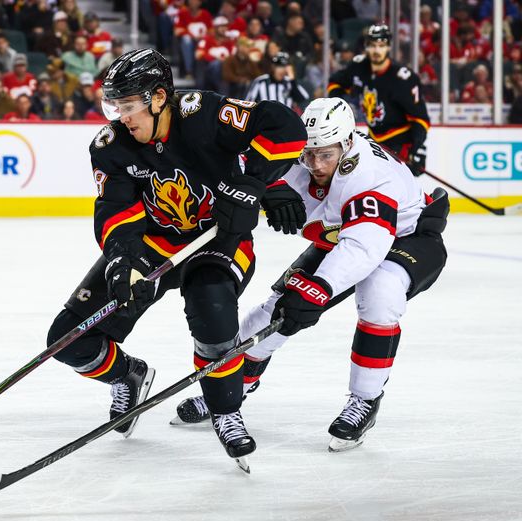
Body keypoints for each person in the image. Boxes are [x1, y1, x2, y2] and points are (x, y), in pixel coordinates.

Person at [44, 48, 306, 465]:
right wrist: (122, 262)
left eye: (129, 105)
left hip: (215, 240)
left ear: (159, 97)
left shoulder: (201, 112)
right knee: (68, 340)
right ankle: (128, 374)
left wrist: (255, 182)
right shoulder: (111, 146)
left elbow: (283, 126)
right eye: (115, 105)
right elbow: (116, 211)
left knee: (212, 310)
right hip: (152, 243)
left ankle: (226, 411)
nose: (121, 116)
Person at [172, 97, 449, 454]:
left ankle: (365, 399)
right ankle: (231, 388)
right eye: (310, 154)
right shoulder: (308, 154)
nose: (315, 164)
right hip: (343, 233)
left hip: (406, 235)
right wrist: (267, 187)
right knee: (272, 315)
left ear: (347, 143)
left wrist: (317, 288)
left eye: (326, 155)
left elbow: (363, 248)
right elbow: (241, 159)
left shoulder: (370, 177)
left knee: (379, 295)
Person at [327, 24, 430, 177]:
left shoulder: (403, 78)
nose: (376, 51)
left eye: (381, 46)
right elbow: (335, 83)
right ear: (366, 47)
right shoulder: (358, 66)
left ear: (388, 47)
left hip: (399, 142)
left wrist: (417, 149)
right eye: (372, 46)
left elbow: (420, 119)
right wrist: (339, 106)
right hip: (373, 140)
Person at [244, 51, 309, 110]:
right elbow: (248, 102)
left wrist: (292, 80)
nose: (282, 70)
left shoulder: (289, 82)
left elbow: (302, 99)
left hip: (285, 119)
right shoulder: (261, 81)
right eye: (279, 66)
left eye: (284, 67)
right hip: (266, 119)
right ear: (273, 67)